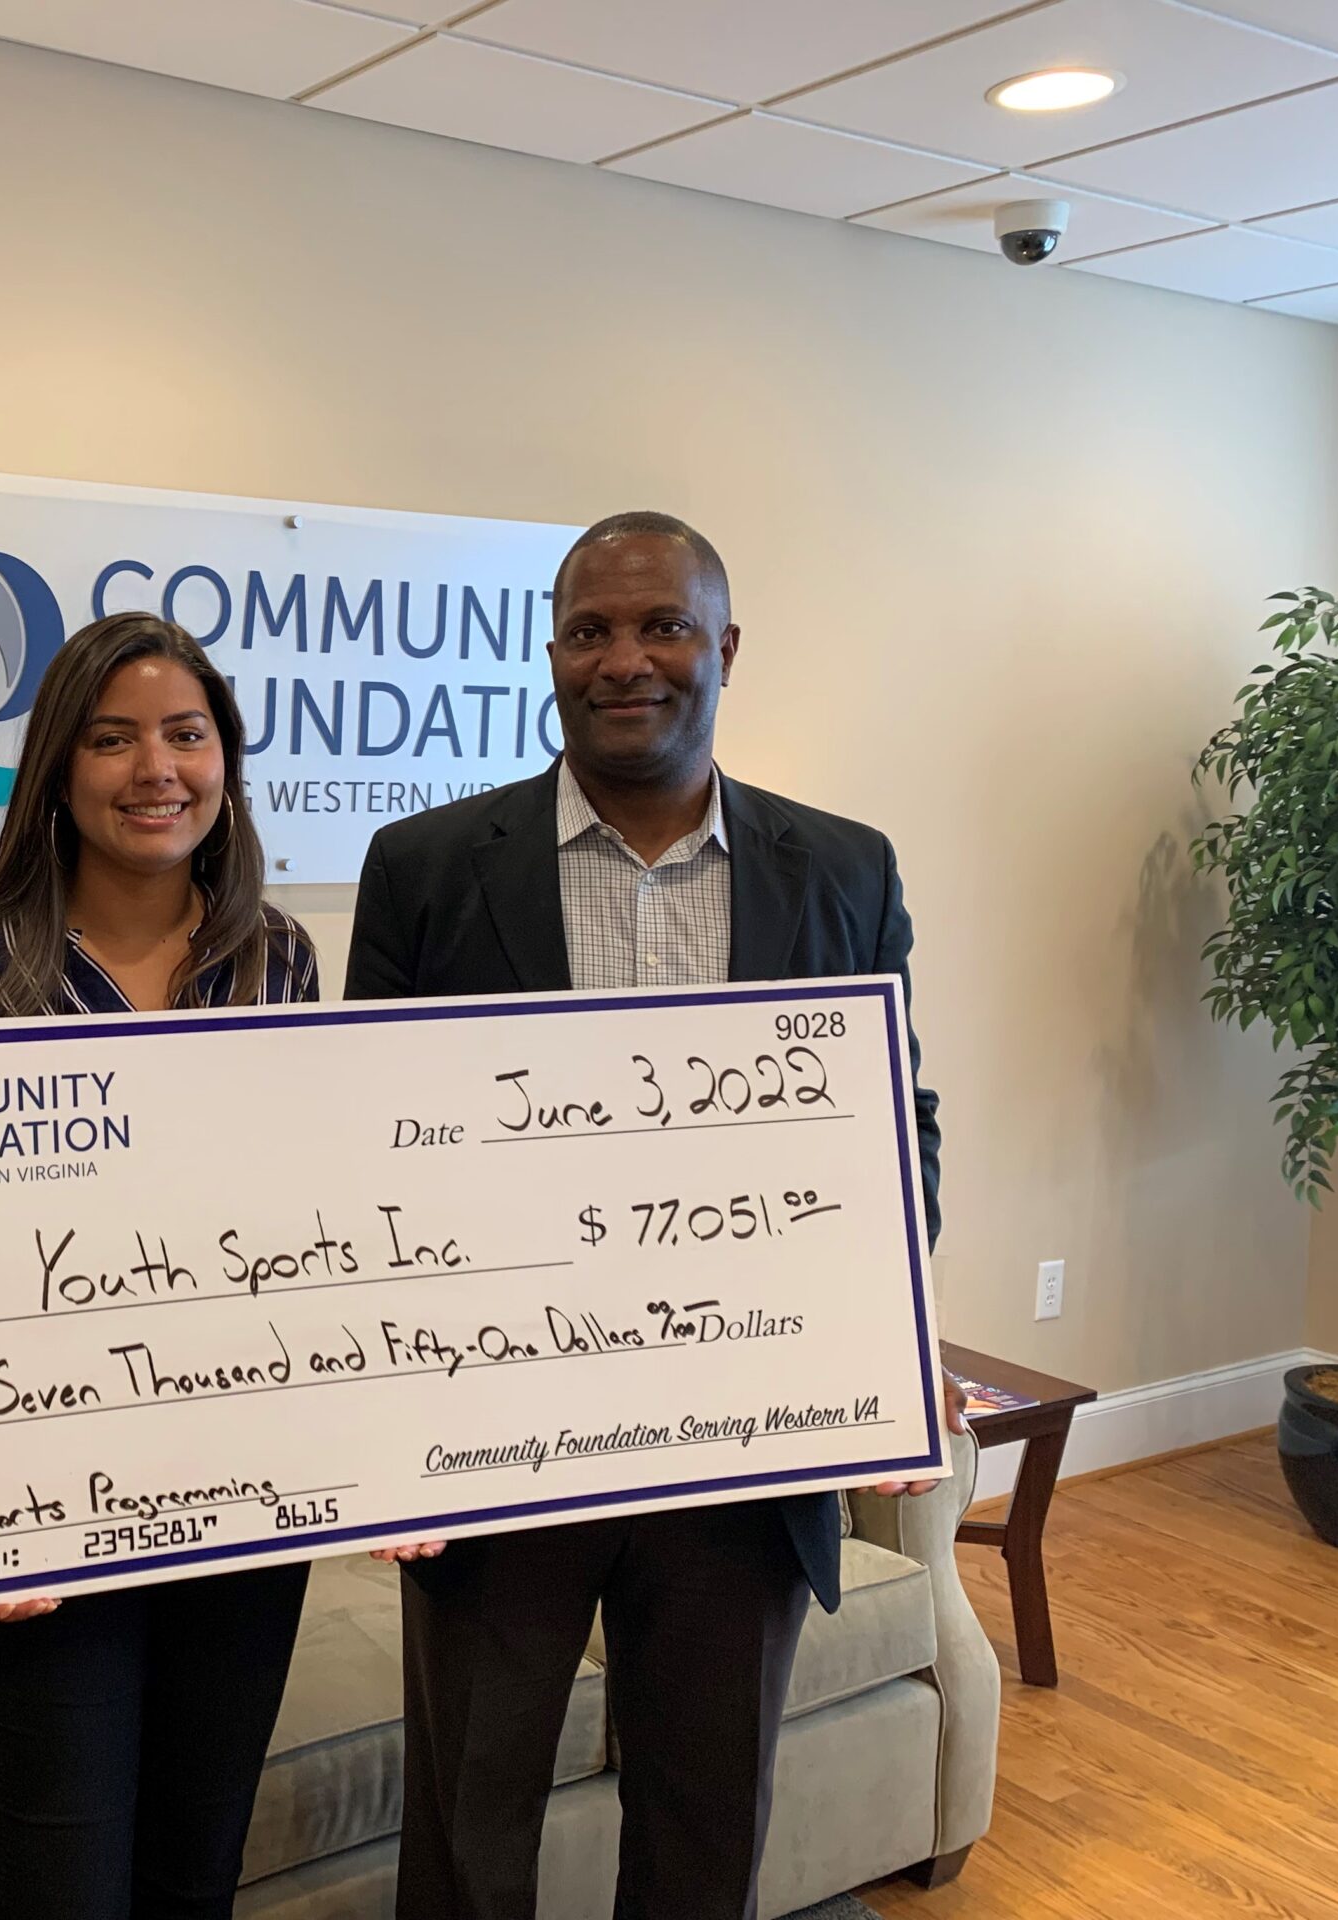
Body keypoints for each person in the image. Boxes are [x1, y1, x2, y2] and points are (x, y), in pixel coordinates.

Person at [347, 512, 967, 1920]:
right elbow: (363, 1154)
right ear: (551, 654)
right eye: (591, 632)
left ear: (725, 648)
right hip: (495, 1444)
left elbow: (891, 1127)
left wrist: (890, 1324)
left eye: (663, 626)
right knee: (467, 1826)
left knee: (705, 1826)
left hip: (741, 1451)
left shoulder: (844, 869)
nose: (626, 661)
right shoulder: (428, 867)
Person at [0, 612, 319, 1919]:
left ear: (226, 763)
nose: (157, 769)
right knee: (56, 1879)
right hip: (37, 1522)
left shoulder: (279, 960)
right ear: (58, 772)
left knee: (196, 1873)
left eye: (187, 735)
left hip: (238, 1506)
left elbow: (316, 1240)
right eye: (113, 738)